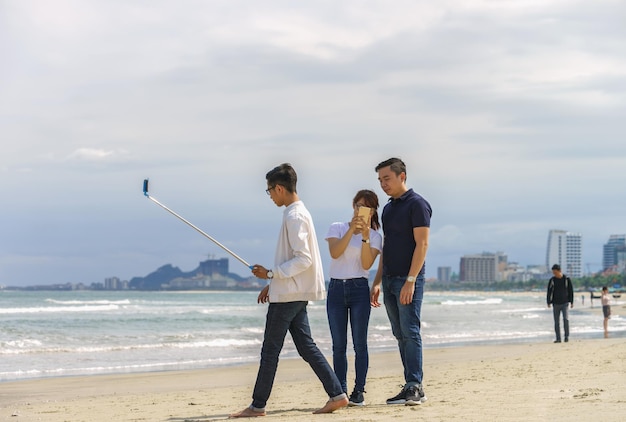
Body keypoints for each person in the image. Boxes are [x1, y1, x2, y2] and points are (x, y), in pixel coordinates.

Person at [230, 163, 348, 418]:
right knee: (306, 347)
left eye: (270, 190)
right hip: (293, 292)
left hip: (290, 296)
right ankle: (337, 395)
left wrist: (272, 274)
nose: (270, 195)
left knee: (270, 350)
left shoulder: (294, 216)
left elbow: (303, 259)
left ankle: (257, 406)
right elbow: (297, 260)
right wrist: (272, 283)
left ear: (280, 188)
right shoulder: (298, 212)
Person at [370, 157, 432, 406]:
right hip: (389, 279)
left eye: (387, 178)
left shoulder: (417, 204)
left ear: (402, 176)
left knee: (410, 331)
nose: (383, 184)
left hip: (408, 280)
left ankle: (415, 385)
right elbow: (387, 247)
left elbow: (423, 244)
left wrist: (411, 280)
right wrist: (376, 280)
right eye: (380, 180)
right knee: (399, 334)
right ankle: (409, 384)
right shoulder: (388, 208)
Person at [325, 189, 382, 406]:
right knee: (338, 345)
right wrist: (351, 230)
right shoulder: (337, 227)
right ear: (353, 206)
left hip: (359, 288)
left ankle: (359, 391)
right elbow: (335, 253)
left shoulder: (376, 237)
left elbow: (367, 264)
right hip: (336, 288)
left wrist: (365, 236)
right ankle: (340, 391)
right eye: (358, 205)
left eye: (366, 207)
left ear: (373, 211)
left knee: (360, 344)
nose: (360, 210)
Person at [546, 264, 574, 343]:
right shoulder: (552, 280)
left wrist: (571, 302)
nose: (554, 274)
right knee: (556, 322)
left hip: (565, 303)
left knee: (566, 319)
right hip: (555, 303)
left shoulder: (566, 279)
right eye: (553, 273)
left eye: (555, 272)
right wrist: (548, 301)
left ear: (559, 271)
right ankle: (558, 338)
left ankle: (566, 336)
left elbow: (570, 291)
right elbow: (549, 291)